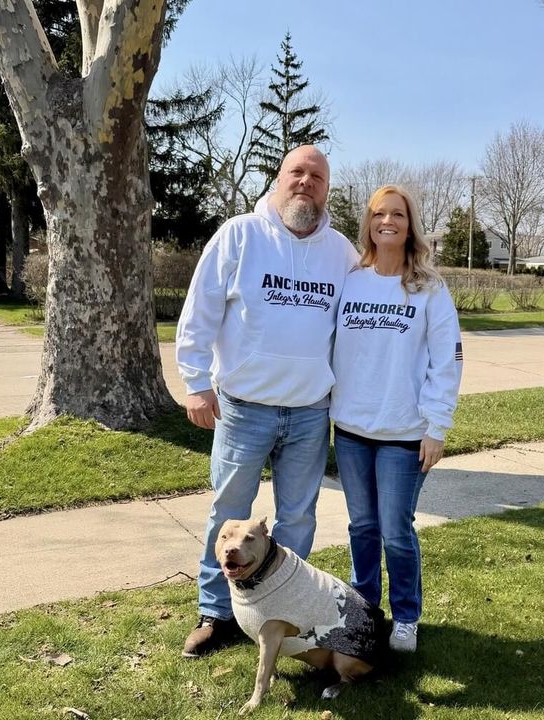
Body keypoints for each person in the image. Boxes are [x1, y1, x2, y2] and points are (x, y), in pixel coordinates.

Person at [176, 145, 359, 658]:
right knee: (228, 514)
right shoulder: (239, 235)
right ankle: (216, 613)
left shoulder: (340, 252)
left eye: (317, 177)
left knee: (297, 517)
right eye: (296, 173)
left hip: (309, 411)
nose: (306, 183)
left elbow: (360, 321)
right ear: (278, 180)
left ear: (327, 189)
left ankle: (284, 612)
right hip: (243, 407)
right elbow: (200, 311)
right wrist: (195, 382)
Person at [330, 185, 462, 653]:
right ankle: (365, 610)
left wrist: (437, 428)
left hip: (404, 434)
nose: (388, 221)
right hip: (350, 430)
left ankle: (406, 616)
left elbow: (447, 362)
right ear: (368, 224)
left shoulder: (429, 287)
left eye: (398, 214)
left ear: (410, 225)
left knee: (395, 530)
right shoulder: (351, 279)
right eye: (378, 214)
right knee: (361, 527)